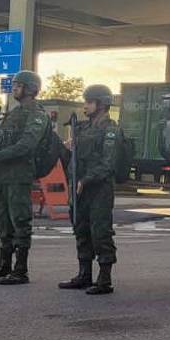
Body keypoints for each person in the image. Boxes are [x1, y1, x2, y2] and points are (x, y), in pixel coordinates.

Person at [0, 70, 49, 285]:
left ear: (31, 89)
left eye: (19, 85)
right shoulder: (13, 114)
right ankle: (4, 265)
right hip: (4, 176)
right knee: (3, 222)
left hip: (19, 176)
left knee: (20, 221)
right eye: (15, 85)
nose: (15, 88)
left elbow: (26, 146)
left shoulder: (37, 114)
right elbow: (4, 141)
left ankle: (20, 269)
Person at [58, 84, 118, 295]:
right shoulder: (82, 129)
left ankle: (104, 278)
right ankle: (84, 273)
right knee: (81, 229)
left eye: (89, 102)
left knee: (100, 231)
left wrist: (87, 179)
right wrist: (66, 149)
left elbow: (108, 163)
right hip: (80, 187)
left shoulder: (110, 130)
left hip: (99, 188)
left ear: (101, 104)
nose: (85, 106)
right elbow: (71, 160)